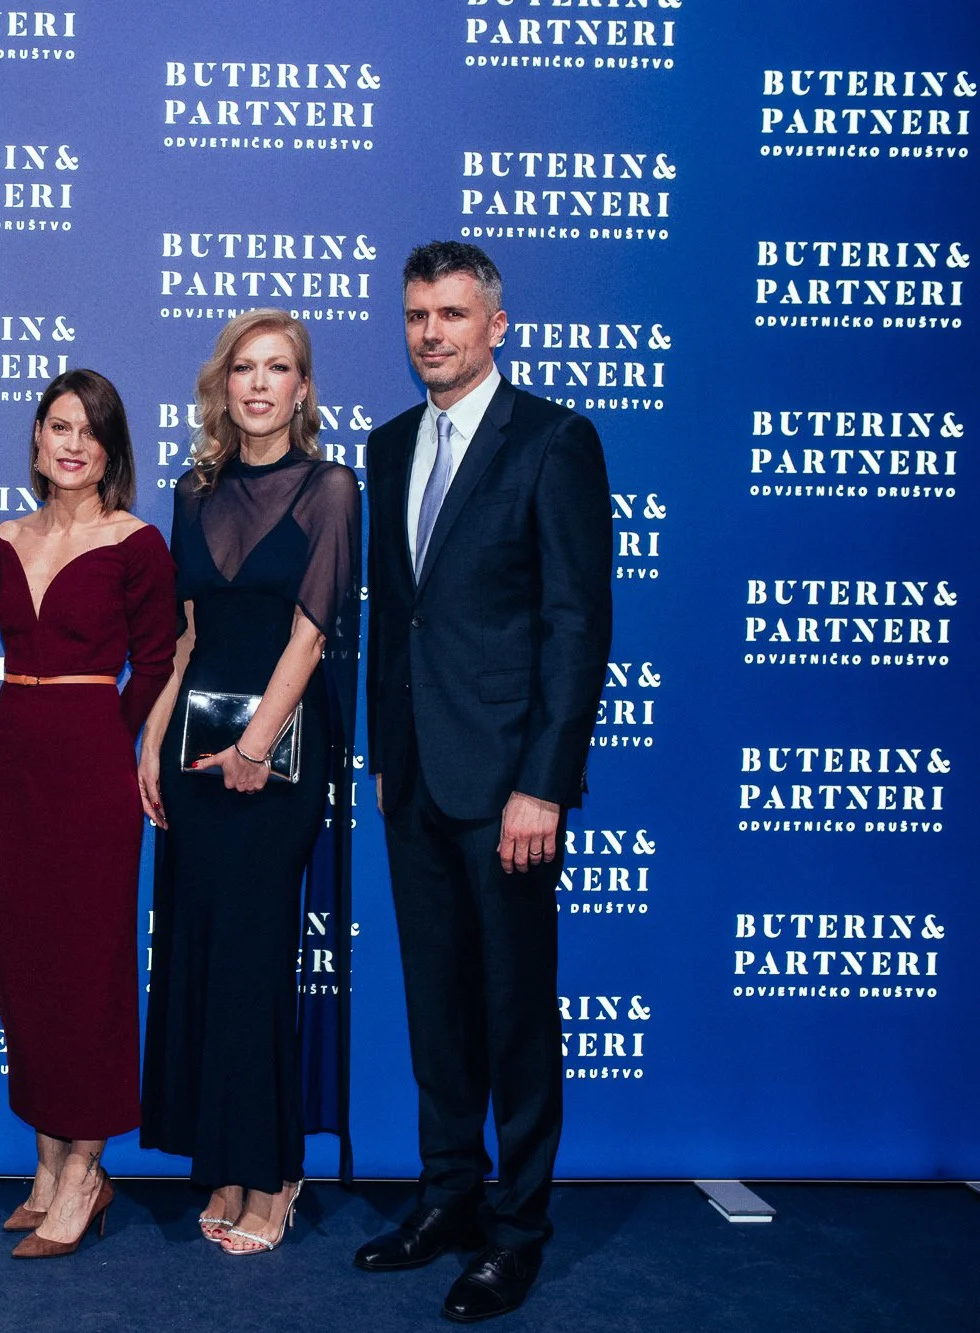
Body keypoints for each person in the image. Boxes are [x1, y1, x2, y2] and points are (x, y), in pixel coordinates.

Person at [354, 241, 611, 1322]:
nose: (430, 332)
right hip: (413, 775)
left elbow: (574, 625)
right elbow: (402, 617)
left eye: (452, 314)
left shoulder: (552, 439)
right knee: (437, 1009)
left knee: (512, 1015)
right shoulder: (387, 443)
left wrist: (542, 784)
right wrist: (381, 757)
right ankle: (446, 1195)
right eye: (416, 313)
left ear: (494, 325)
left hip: (506, 783)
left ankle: (516, 1229)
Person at [138, 308, 360, 1257]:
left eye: (280, 369)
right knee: (203, 952)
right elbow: (187, 638)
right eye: (244, 368)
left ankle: (272, 1173)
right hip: (192, 756)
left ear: (303, 389)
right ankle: (224, 1159)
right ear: (222, 384)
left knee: (259, 954)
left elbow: (312, 635)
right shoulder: (193, 491)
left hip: (281, 757)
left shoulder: (330, 488)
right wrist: (149, 742)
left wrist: (257, 746)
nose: (260, 384)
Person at [0, 369, 177, 1260]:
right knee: (24, 957)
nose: (71, 443)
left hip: (91, 760)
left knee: (90, 959)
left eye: (89, 431)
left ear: (110, 449)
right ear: (36, 440)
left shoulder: (137, 542)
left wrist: (116, 736)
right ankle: (48, 1150)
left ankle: (87, 1166)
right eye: (58, 426)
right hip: (11, 750)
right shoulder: (0, 538)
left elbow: (160, 657)